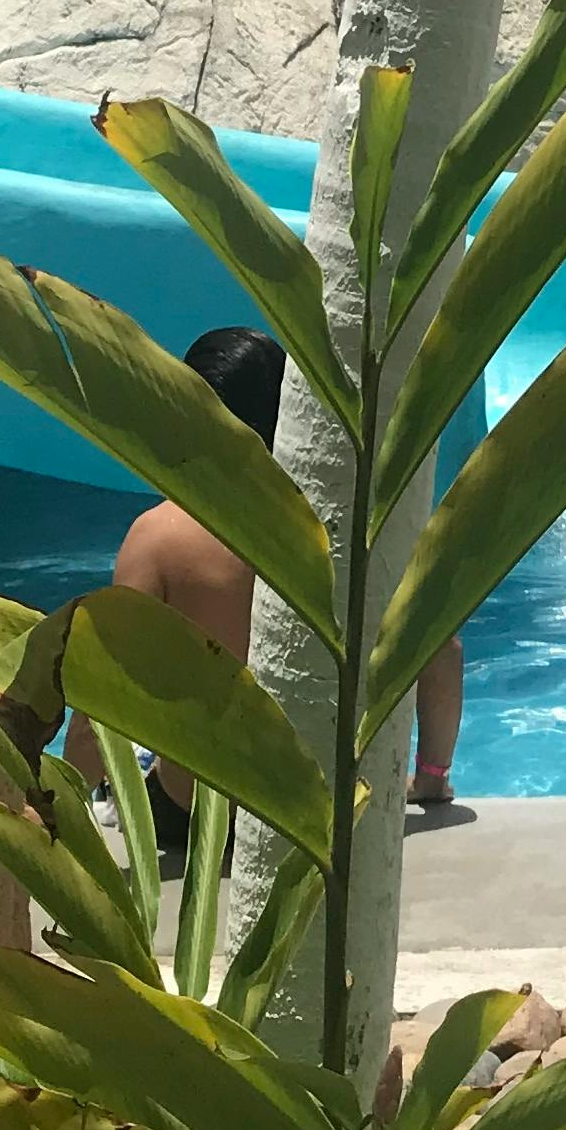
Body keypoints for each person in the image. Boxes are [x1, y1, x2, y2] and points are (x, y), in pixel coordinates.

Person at [90, 325, 467, 863]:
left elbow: (103, 692)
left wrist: (58, 799)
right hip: (330, 810)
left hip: (202, 817)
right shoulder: (358, 528)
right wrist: (431, 775)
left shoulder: (160, 535)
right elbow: (443, 653)